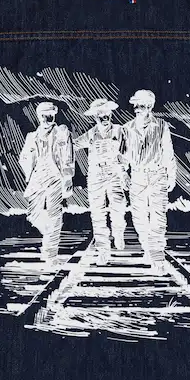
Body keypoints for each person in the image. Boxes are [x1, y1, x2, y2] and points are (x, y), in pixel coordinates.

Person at [122, 89, 177, 273]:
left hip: (157, 175)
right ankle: (147, 247)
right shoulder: (127, 128)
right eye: (136, 105)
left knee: (158, 217)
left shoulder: (161, 126)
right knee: (139, 218)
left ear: (150, 106)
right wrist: (123, 174)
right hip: (137, 177)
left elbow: (168, 151)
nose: (138, 108)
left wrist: (171, 175)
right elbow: (122, 155)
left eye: (142, 105)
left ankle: (157, 257)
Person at [74, 98, 128, 265]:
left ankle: (118, 232)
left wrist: (124, 172)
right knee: (97, 212)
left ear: (110, 114)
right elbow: (74, 144)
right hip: (96, 175)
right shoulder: (91, 134)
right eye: (100, 115)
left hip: (115, 172)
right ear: (95, 117)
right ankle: (103, 249)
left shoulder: (119, 131)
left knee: (118, 206)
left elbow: (126, 152)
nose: (104, 117)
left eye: (106, 114)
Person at [18, 101, 74, 266]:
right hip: (37, 178)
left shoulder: (62, 132)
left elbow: (68, 155)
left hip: (55, 177)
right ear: (38, 116)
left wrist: (68, 177)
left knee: (54, 214)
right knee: (33, 215)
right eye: (43, 115)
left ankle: (50, 254)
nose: (46, 118)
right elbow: (23, 157)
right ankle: (50, 233)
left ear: (54, 115)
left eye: (49, 115)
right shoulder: (32, 136)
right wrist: (29, 172)